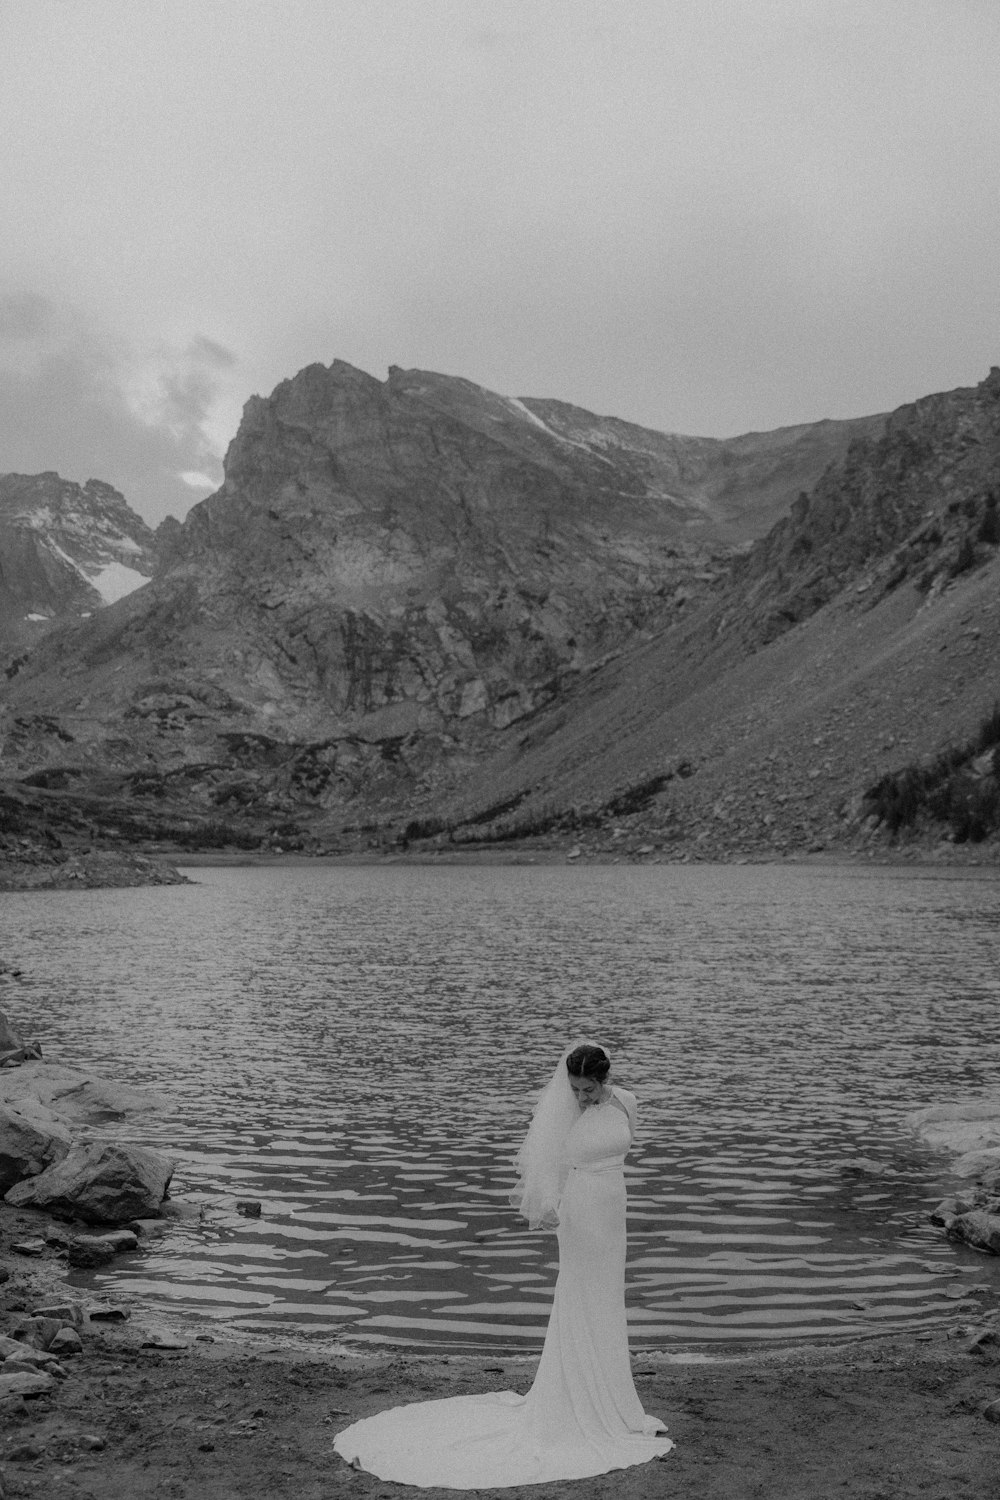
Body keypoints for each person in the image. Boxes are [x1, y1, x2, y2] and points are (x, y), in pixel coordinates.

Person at [332, 1040, 673, 1488]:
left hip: (614, 1207)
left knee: (608, 1297)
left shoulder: (627, 1102)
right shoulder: (567, 1111)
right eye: (575, 1089)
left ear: (604, 1080)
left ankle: (615, 1401)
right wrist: (551, 1203)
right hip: (581, 1209)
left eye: (589, 1089)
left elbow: (621, 1147)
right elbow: (545, 1160)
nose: (582, 1098)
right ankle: (573, 1398)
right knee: (579, 1296)